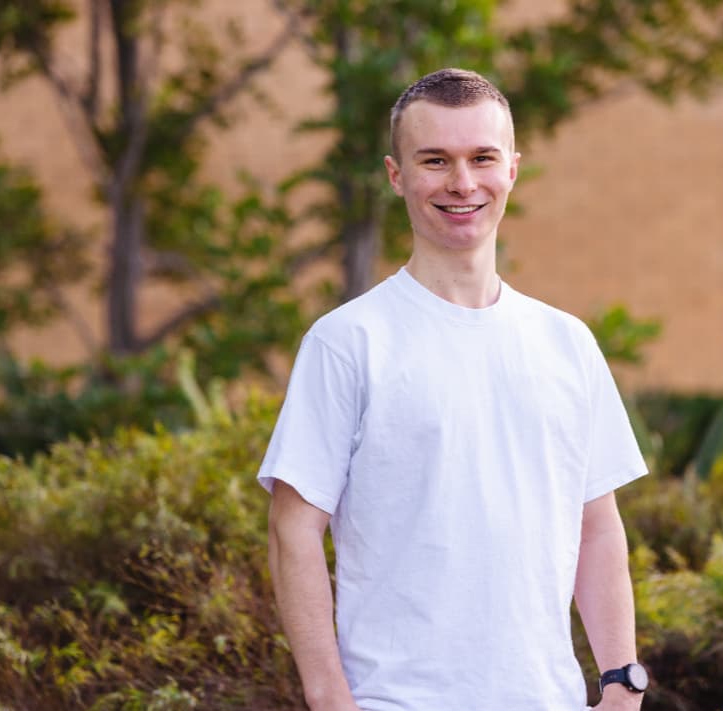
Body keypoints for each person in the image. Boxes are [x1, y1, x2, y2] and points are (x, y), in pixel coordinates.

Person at [259, 68, 649, 711]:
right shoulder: (347, 341)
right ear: (396, 175)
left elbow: (598, 528)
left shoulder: (567, 343)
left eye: (482, 158)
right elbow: (292, 531)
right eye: (435, 160)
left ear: (513, 169)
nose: (462, 183)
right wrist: (330, 700)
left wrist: (620, 683)